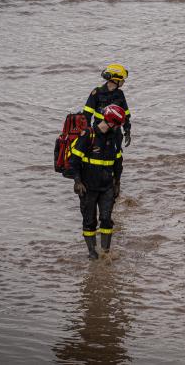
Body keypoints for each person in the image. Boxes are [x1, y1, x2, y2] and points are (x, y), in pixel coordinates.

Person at [69, 104, 126, 259]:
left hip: (107, 187)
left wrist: (117, 183)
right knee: (89, 221)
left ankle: (106, 253)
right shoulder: (89, 135)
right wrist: (77, 181)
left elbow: (118, 163)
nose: (118, 128)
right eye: (117, 124)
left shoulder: (114, 138)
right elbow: (73, 161)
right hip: (87, 187)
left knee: (106, 219)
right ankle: (92, 252)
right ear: (111, 121)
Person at [83, 63, 131, 196]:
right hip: (99, 132)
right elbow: (86, 114)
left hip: (115, 133)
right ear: (114, 79)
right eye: (122, 79)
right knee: (95, 157)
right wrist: (87, 133)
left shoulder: (120, 95)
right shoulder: (96, 92)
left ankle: (116, 182)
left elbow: (125, 115)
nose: (123, 82)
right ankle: (93, 181)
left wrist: (127, 131)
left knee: (117, 158)